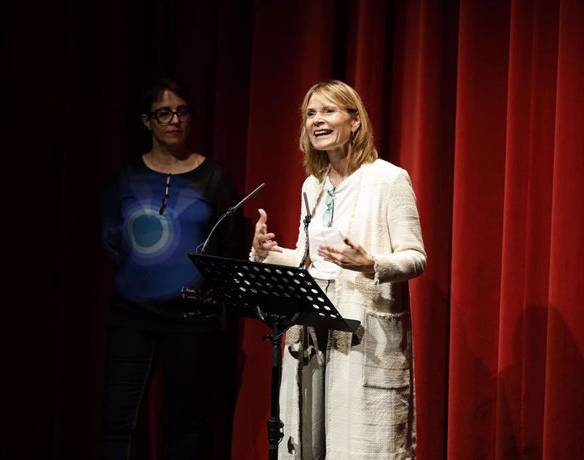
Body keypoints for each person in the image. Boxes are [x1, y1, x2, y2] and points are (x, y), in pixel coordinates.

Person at [250, 80, 426, 459]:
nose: (317, 121)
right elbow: (306, 259)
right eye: (311, 114)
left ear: (355, 122)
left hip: (361, 330)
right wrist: (266, 253)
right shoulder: (312, 186)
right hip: (311, 325)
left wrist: (372, 264)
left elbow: (416, 257)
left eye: (329, 111)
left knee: (358, 444)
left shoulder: (389, 179)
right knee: (308, 440)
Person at [99, 77, 243, 460]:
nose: (175, 120)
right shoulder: (126, 176)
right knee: (118, 422)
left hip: (193, 321)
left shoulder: (215, 178)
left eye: (182, 112)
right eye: (164, 113)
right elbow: (113, 240)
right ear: (147, 121)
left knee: (185, 424)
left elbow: (230, 247)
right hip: (131, 316)